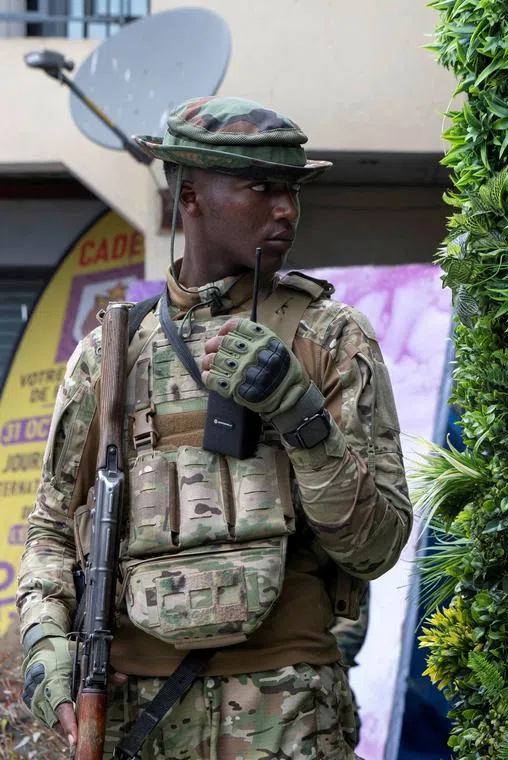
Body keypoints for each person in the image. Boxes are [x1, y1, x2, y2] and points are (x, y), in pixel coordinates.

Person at [16, 95, 412, 759]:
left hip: (286, 715)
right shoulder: (112, 352)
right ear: (191, 196)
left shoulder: (329, 338)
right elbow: (54, 528)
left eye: (292, 190)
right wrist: (46, 653)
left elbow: (376, 547)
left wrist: (298, 416)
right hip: (134, 713)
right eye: (262, 189)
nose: (285, 209)